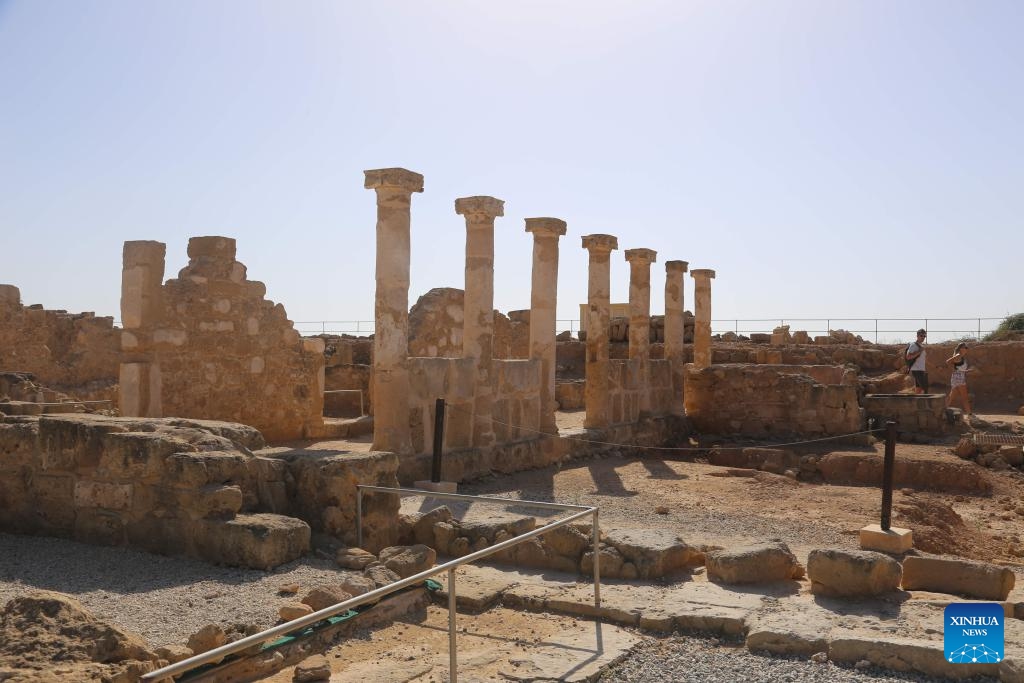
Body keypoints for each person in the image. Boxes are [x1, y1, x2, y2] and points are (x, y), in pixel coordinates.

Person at [946, 342, 972, 416]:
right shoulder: (958, 355)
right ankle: (970, 414)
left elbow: (958, 368)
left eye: (967, 348)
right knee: (965, 397)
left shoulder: (961, 357)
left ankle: (943, 409)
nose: (966, 349)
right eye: (965, 348)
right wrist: (953, 369)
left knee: (951, 396)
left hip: (956, 377)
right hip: (959, 378)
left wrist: (965, 371)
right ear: (961, 348)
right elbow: (947, 361)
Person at [906, 329, 928, 394]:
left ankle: (916, 403)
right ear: (917, 336)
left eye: (924, 336)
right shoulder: (913, 345)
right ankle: (926, 403)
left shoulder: (921, 346)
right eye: (921, 336)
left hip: (921, 370)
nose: (923, 337)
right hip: (916, 370)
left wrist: (935, 366)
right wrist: (919, 351)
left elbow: (924, 360)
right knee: (925, 389)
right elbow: (908, 356)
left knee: (918, 389)